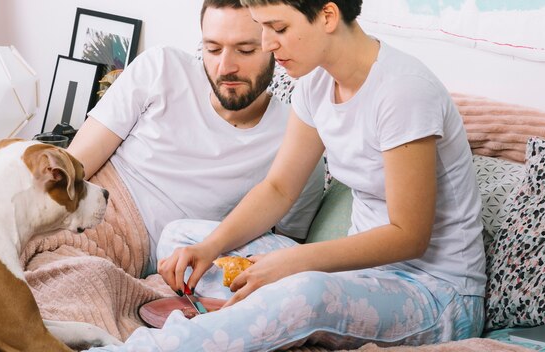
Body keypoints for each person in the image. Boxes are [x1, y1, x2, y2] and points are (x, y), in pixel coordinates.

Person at [88, 0, 486, 351]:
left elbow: (408, 234)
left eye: (278, 28)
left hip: (435, 294)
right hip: (358, 274)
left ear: (328, 15)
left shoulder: (403, 92)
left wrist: (295, 262)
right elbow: (278, 189)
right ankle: (243, 314)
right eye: (263, 28)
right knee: (183, 239)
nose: (267, 43)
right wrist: (209, 248)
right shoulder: (314, 84)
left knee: (306, 291)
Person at [67, 0, 324, 277]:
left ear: (275, 47)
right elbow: (74, 165)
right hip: (86, 201)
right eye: (212, 49)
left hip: (150, 258)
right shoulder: (161, 67)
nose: (225, 67)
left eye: (245, 50)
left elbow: (285, 251)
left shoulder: (298, 139)